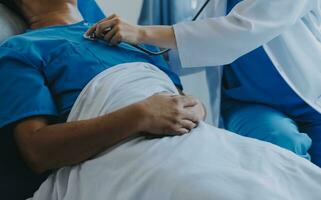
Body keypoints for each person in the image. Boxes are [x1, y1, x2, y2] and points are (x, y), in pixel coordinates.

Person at [87, 0, 321, 167]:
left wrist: (141, 33)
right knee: (278, 144)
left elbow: (243, 29)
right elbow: (200, 47)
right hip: (250, 104)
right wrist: (134, 52)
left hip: (312, 92)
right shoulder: (214, 4)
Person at [0, 0, 206, 175]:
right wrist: (140, 115)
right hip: (135, 163)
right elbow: (37, 151)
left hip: (199, 144)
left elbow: (184, 102)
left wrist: (199, 110)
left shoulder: (133, 36)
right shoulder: (22, 49)